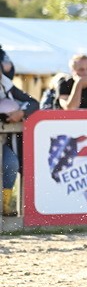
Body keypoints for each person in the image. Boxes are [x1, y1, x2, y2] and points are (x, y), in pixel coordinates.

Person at [0, 70, 36, 216]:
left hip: (2, 144)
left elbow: (34, 103)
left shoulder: (8, 87)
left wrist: (20, 113)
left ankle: (5, 204)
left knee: (11, 163)